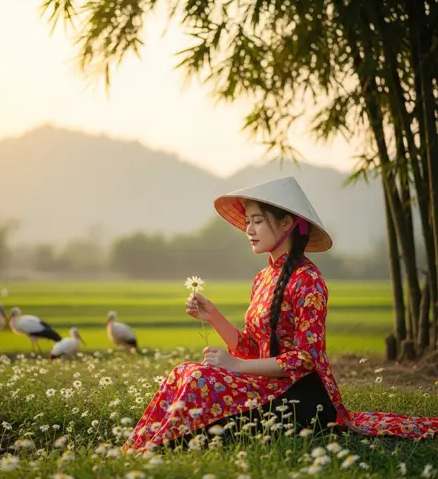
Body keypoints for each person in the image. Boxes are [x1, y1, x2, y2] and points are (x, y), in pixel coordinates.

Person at [122, 177, 437, 453]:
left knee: (199, 379)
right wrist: (214, 315)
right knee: (185, 371)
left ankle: (162, 446)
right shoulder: (263, 279)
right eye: (248, 221)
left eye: (257, 221)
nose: (249, 229)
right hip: (267, 387)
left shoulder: (308, 281)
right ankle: (143, 446)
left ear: (287, 223)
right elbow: (251, 350)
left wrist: (238, 366)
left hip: (303, 398)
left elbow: (306, 358)